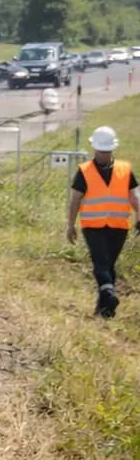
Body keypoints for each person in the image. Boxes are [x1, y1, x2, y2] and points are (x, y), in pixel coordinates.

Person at [66, 126, 140, 318]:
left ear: (94, 146)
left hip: (94, 226)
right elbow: (135, 198)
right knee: (107, 266)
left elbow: (75, 199)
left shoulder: (85, 171)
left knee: (101, 265)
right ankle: (105, 310)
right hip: (118, 226)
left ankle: (108, 294)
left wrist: (70, 225)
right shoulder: (125, 170)